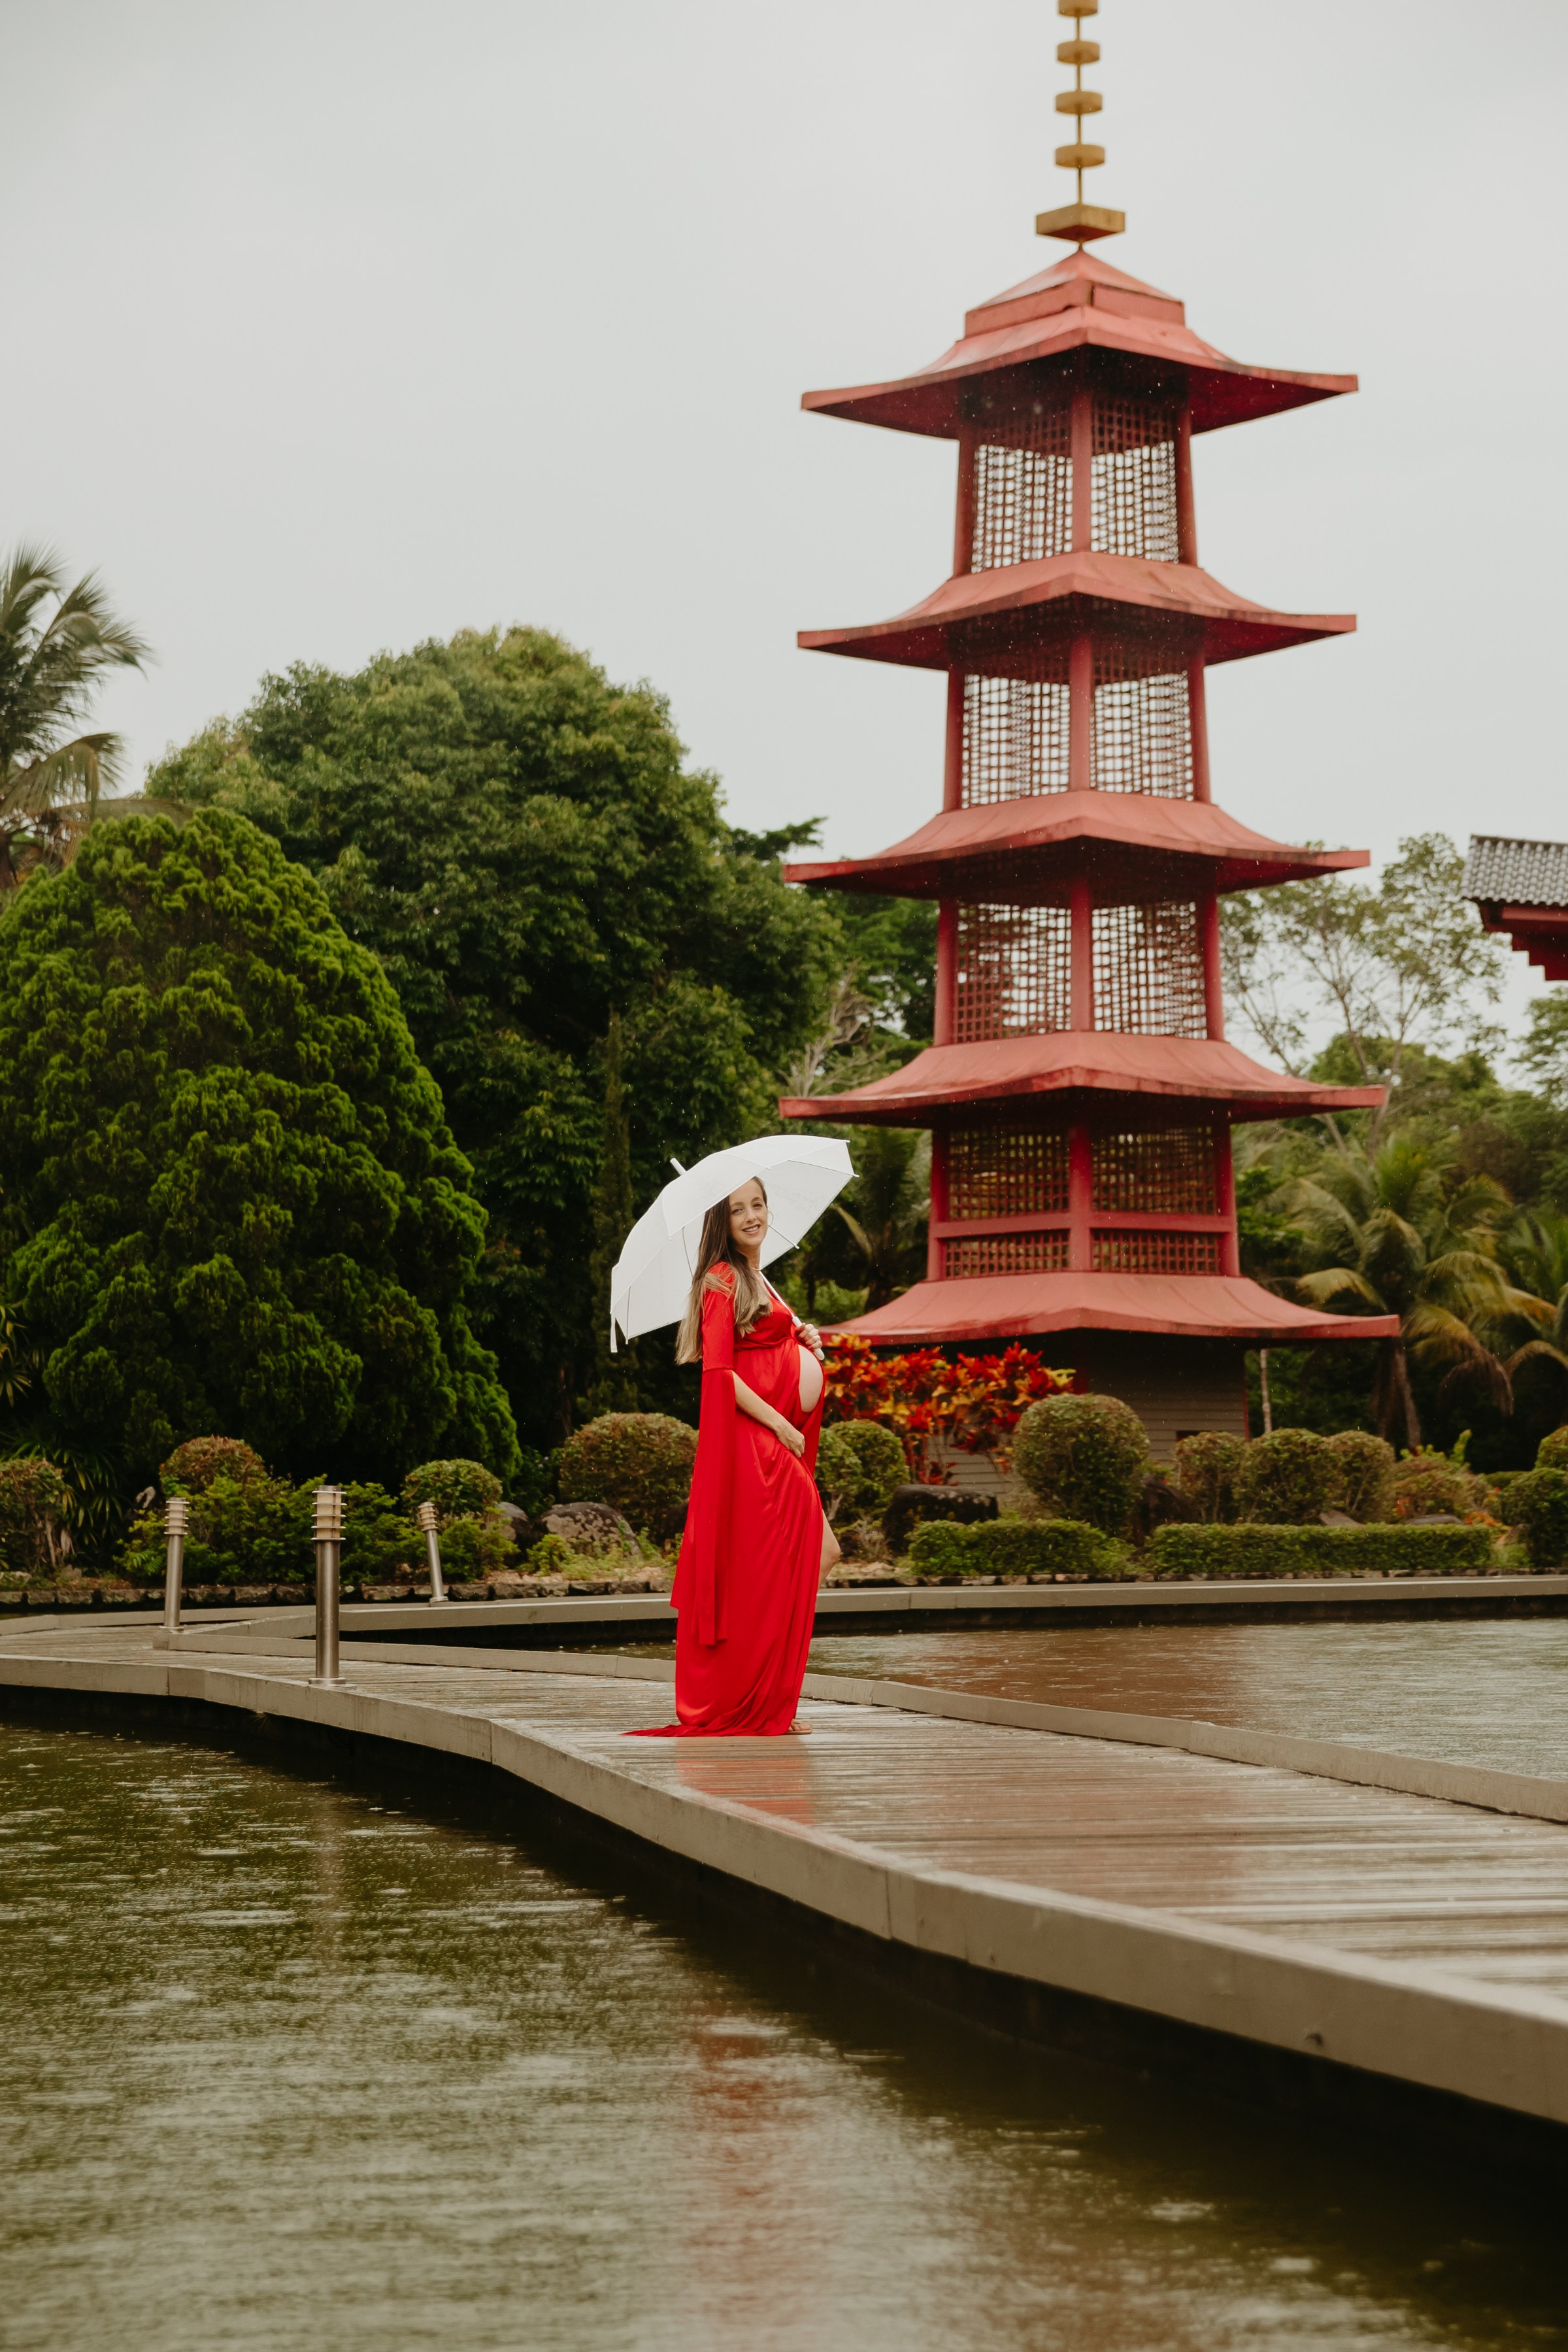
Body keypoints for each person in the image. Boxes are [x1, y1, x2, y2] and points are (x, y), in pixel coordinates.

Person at [629, 1176, 839, 1738]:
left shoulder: (757, 1277)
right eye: (737, 1209)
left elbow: (768, 1345)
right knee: (792, 1562)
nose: (751, 1216)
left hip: (774, 1442)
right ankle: (754, 1699)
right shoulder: (720, 1279)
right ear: (719, 1222)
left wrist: (805, 1341)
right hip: (758, 1448)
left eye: (758, 1204)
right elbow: (718, 1374)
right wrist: (778, 1425)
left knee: (799, 1562)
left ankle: (769, 1696)